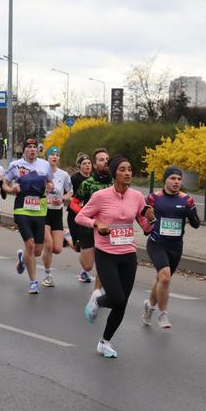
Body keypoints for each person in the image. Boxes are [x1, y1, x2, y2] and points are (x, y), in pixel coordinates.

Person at [76, 155, 155, 358]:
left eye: (129, 169)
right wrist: (97, 224)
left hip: (128, 253)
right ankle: (97, 302)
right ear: (114, 173)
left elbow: (145, 227)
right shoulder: (101, 196)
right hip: (106, 253)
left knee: (122, 302)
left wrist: (151, 219)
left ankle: (104, 342)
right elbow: (80, 216)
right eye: (123, 169)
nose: (128, 173)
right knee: (117, 298)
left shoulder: (137, 196)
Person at [142, 165, 200, 329]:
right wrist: (148, 226)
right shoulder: (154, 198)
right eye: (172, 178)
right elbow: (142, 216)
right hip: (157, 243)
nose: (176, 182)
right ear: (165, 180)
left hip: (175, 246)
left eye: (179, 179)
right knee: (165, 277)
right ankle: (163, 314)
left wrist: (190, 214)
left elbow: (196, 224)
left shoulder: (186, 199)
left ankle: (149, 306)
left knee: (162, 280)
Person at [3, 138, 54, 294]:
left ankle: (23, 259)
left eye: (34, 147)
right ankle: (33, 282)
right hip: (21, 209)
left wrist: (50, 187)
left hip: (39, 210)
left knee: (37, 250)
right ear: (24, 149)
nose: (32, 150)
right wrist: (12, 190)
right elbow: (5, 184)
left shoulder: (45, 165)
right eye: (29, 147)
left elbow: (50, 183)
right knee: (30, 245)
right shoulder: (15, 165)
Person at [69, 148, 112, 291]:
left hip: (107, 229)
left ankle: (96, 292)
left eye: (107, 159)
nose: (105, 162)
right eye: (101, 159)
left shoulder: (114, 182)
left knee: (103, 263)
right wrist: (84, 214)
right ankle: (73, 241)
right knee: (88, 266)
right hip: (89, 228)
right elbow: (74, 202)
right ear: (95, 164)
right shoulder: (87, 184)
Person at [41, 146, 73, 288]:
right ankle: (48, 276)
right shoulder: (41, 173)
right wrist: (45, 197)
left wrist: (63, 199)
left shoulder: (64, 174)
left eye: (57, 155)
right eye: (52, 154)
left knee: (57, 249)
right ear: (46, 157)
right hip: (43, 211)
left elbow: (70, 191)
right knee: (48, 244)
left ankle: (26, 255)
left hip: (57, 213)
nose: (55, 157)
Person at [66, 154, 93, 280]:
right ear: (79, 166)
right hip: (75, 215)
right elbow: (69, 195)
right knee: (78, 247)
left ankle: (84, 272)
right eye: (84, 164)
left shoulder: (94, 179)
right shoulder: (75, 179)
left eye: (89, 163)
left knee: (86, 245)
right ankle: (67, 237)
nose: (87, 165)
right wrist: (76, 201)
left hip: (88, 216)